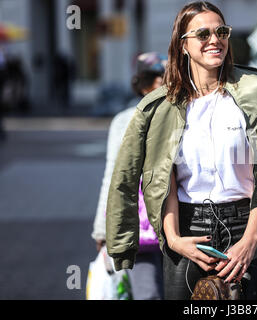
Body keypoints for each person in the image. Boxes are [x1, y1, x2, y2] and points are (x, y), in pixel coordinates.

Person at [106, 1, 257, 300]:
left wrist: (251, 239)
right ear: (183, 45)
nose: (215, 40)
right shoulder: (162, 106)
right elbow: (162, 177)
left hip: (248, 226)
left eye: (221, 31)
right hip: (188, 230)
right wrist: (174, 239)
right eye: (203, 34)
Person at [92, 52, 167, 299]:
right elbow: (114, 176)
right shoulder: (125, 120)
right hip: (141, 229)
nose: (160, 83)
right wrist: (103, 230)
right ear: (142, 84)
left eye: (165, 76)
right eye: (152, 78)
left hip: (183, 225)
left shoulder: (187, 114)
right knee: (149, 295)